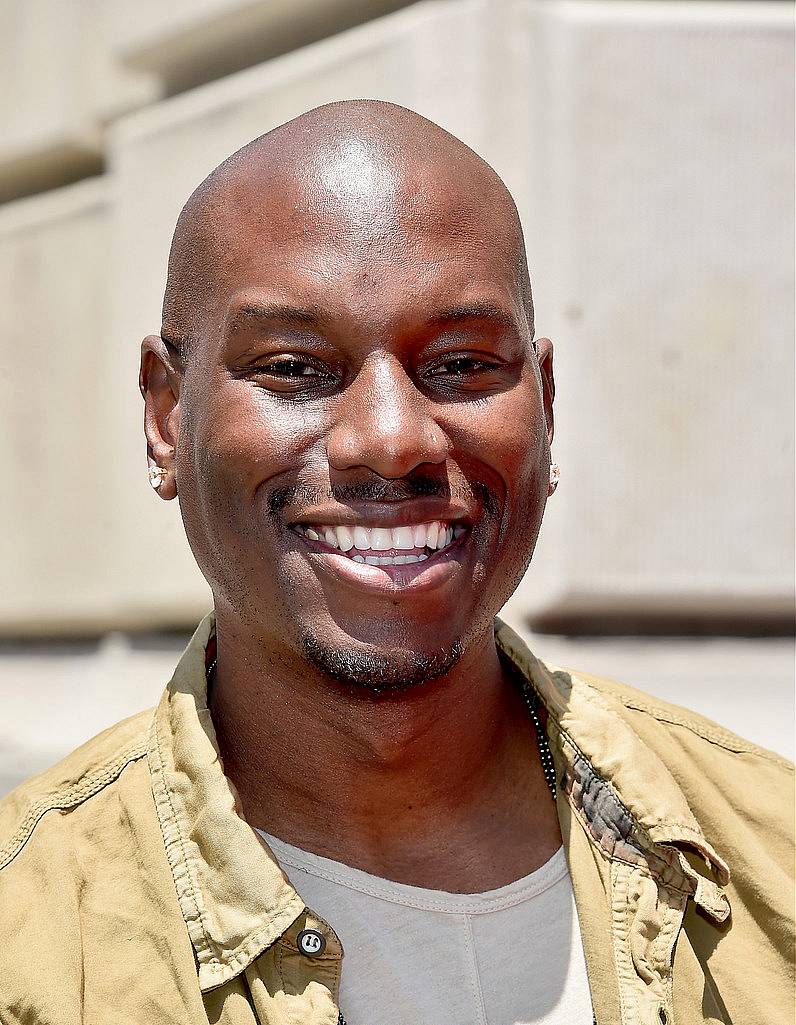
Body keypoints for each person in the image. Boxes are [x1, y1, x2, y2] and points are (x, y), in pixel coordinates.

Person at [0, 100, 792, 1025]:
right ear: (168, 418)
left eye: (461, 364)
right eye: (295, 367)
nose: (392, 439)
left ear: (546, 407)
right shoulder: (33, 936)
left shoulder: (768, 860)